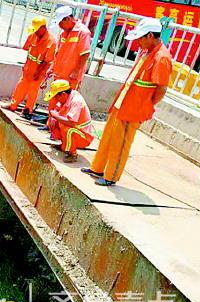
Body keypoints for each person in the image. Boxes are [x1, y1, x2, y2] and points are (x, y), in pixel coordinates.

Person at [81, 17, 173, 186]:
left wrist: (145, 105)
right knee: (108, 137)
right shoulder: (147, 52)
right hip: (122, 104)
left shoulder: (162, 58)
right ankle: (97, 168)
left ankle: (111, 176)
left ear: (150, 36)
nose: (137, 42)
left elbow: (161, 89)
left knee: (121, 145)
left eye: (140, 38)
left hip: (134, 109)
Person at [3, 16, 56, 120]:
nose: (35, 32)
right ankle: (13, 105)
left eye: (37, 30)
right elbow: (28, 50)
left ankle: (28, 110)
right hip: (28, 68)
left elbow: (47, 61)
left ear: (43, 28)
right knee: (21, 86)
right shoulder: (33, 35)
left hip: (38, 71)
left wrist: (38, 72)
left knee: (33, 90)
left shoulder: (51, 41)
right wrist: (26, 65)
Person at [44, 80, 94, 163]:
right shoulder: (66, 97)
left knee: (67, 128)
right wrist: (53, 118)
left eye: (56, 97)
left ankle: (72, 154)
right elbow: (57, 109)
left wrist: (55, 116)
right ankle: (64, 146)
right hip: (76, 130)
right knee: (54, 121)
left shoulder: (76, 101)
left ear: (63, 94)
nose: (55, 99)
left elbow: (71, 122)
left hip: (84, 136)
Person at [44, 6, 92, 90]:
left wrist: (76, 72)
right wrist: (52, 67)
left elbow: (85, 54)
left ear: (67, 19)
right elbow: (58, 53)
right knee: (54, 101)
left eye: (60, 23)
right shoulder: (63, 33)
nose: (59, 26)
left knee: (67, 101)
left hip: (71, 78)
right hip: (58, 75)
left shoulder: (83, 32)